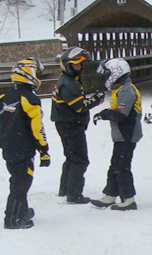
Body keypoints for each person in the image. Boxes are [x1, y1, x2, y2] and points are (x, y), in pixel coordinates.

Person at [0, 58, 50, 229]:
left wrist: (7, 141)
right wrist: (44, 150)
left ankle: (23, 211)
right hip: (23, 149)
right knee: (21, 183)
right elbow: (37, 128)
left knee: (17, 180)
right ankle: (12, 219)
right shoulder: (30, 98)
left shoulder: (3, 97)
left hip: (8, 147)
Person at [51, 47, 105, 204]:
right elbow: (79, 106)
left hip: (65, 123)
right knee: (80, 160)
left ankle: (65, 188)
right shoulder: (69, 84)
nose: (80, 68)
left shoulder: (67, 81)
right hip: (71, 125)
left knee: (71, 157)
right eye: (76, 65)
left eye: (81, 65)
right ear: (68, 66)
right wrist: (96, 99)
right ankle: (74, 194)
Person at [90, 58, 143, 211]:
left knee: (121, 165)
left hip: (127, 133)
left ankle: (128, 198)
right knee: (115, 164)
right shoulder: (121, 89)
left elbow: (121, 114)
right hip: (121, 134)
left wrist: (103, 114)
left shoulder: (127, 90)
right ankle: (110, 194)